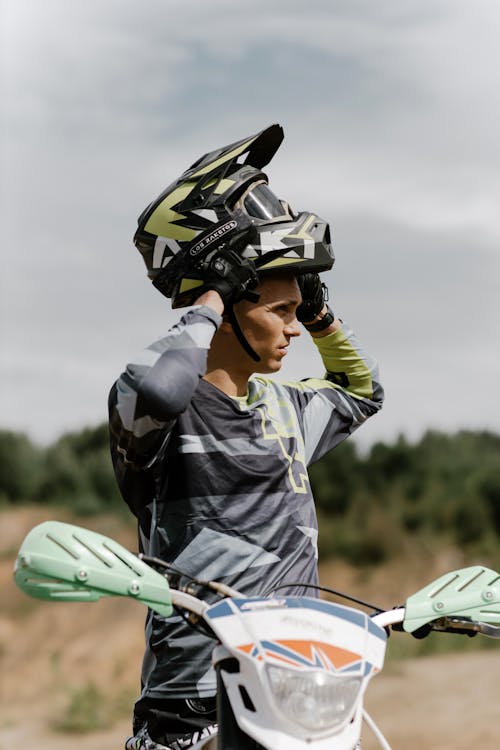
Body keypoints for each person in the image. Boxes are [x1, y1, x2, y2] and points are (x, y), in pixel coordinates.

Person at [108, 124, 384, 750]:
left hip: (297, 677)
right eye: (279, 313)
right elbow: (158, 388)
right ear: (229, 309)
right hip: (194, 697)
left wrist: (319, 312)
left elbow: (364, 390)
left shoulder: (286, 408)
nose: (294, 331)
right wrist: (209, 299)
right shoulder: (159, 407)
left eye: (297, 315)